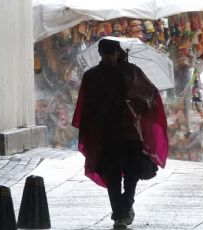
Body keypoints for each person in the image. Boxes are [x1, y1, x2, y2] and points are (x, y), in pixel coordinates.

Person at [72, 39, 168, 229]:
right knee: (116, 174)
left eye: (110, 53)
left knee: (126, 173)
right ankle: (121, 211)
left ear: (116, 53)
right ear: (102, 54)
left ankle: (122, 210)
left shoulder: (127, 73)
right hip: (116, 133)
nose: (108, 57)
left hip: (123, 133)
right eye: (106, 53)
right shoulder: (124, 73)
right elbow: (149, 99)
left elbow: (146, 98)